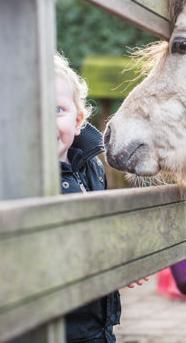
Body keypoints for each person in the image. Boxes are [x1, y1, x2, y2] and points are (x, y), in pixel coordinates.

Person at [54, 53, 121, 342]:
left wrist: (122, 258)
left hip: (99, 320)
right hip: (57, 325)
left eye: (57, 109)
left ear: (78, 120)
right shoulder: (20, 177)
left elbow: (104, 227)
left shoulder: (93, 166)